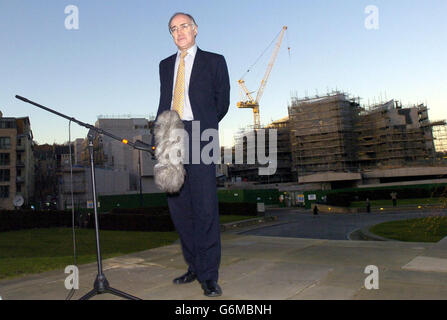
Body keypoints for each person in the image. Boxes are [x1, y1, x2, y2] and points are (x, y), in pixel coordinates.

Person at [154, 12, 230, 297]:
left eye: (183, 26)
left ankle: (209, 275)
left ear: (195, 29)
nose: (179, 32)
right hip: (170, 134)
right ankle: (194, 266)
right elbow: (163, 101)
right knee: (179, 207)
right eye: (173, 29)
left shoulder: (215, 61)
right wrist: (158, 139)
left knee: (205, 207)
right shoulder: (164, 65)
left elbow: (222, 102)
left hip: (202, 134)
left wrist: (205, 124)